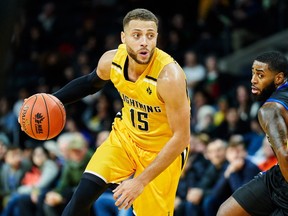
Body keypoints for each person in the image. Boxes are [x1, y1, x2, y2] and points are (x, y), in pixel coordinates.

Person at [20, 8, 190, 216]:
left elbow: (181, 137)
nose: (144, 41)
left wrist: (140, 181)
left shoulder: (169, 77)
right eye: (137, 35)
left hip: (162, 150)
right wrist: (51, 100)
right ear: (123, 37)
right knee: (78, 203)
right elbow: (90, 83)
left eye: (150, 35)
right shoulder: (112, 61)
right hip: (125, 138)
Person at [217, 51, 288, 215]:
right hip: (279, 175)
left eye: (260, 75)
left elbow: (284, 155)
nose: (253, 80)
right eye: (253, 73)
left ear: (278, 78)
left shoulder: (270, 109)